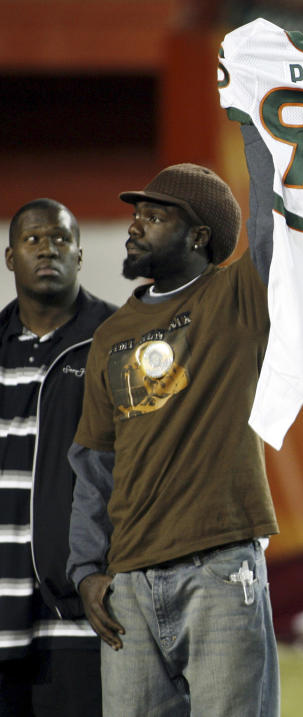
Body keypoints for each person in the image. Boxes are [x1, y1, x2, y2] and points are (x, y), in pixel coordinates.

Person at [66, 160, 280, 716]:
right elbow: (94, 461)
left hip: (220, 567)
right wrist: (87, 570)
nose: (135, 225)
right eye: (136, 214)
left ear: (199, 237)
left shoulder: (237, 297)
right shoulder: (110, 334)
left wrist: (256, 125)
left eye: (155, 216)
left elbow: (270, 227)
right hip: (129, 584)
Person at [0, 199, 114, 715]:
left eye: (61, 239)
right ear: (10, 258)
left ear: (81, 255)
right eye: (34, 240)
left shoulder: (115, 340)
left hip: (77, 613)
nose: (49, 249)